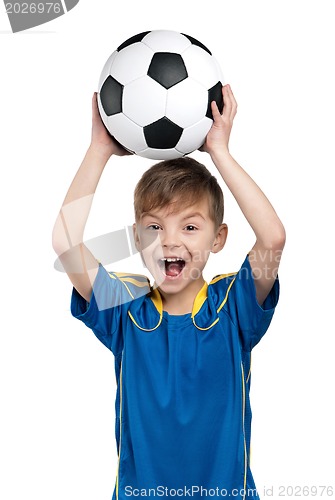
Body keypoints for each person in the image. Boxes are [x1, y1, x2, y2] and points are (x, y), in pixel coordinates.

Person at [52, 85, 285, 500]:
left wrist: (221, 153)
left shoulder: (234, 306)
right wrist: (99, 150)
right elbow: (66, 245)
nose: (169, 241)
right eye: (154, 227)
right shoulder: (125, 307)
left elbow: (272, 238)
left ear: (219, 239)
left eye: (190, 226)